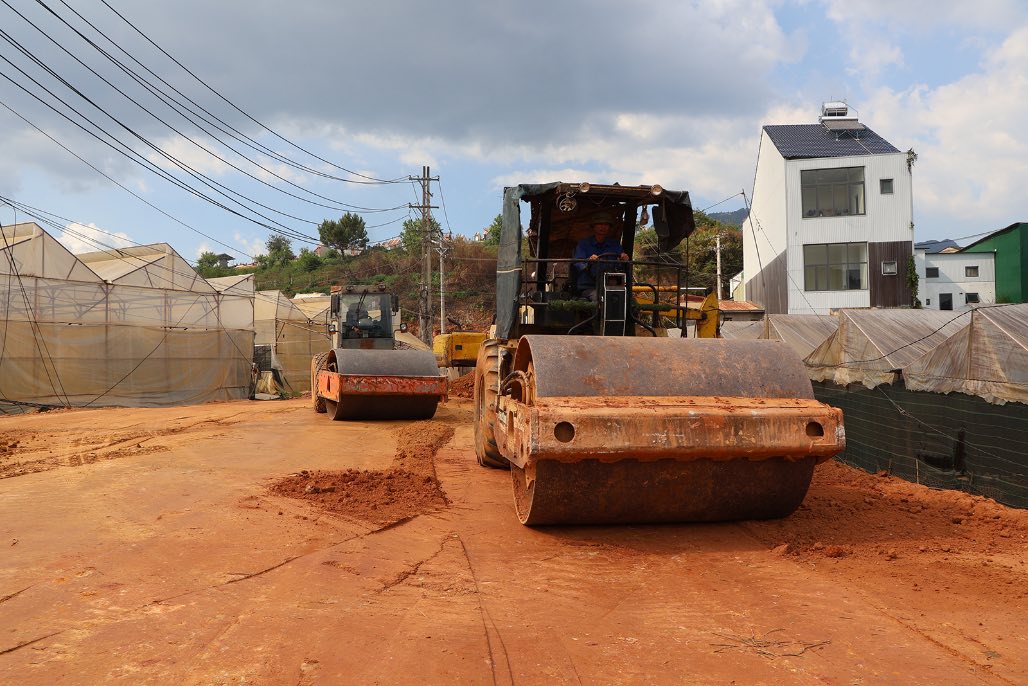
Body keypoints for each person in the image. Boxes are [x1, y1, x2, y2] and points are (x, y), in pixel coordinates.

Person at [572, 217, 629, 300]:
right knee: (598, 297)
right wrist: (589, 261)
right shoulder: (583, 244)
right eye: (600, 224)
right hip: (589, 286)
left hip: (612, 285)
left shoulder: (615, 245)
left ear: (609, 228)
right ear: (593, 227)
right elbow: (578, 264)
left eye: (606, 224)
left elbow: (620, 265)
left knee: (626, 299)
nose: (603, 227)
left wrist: (624, 260)